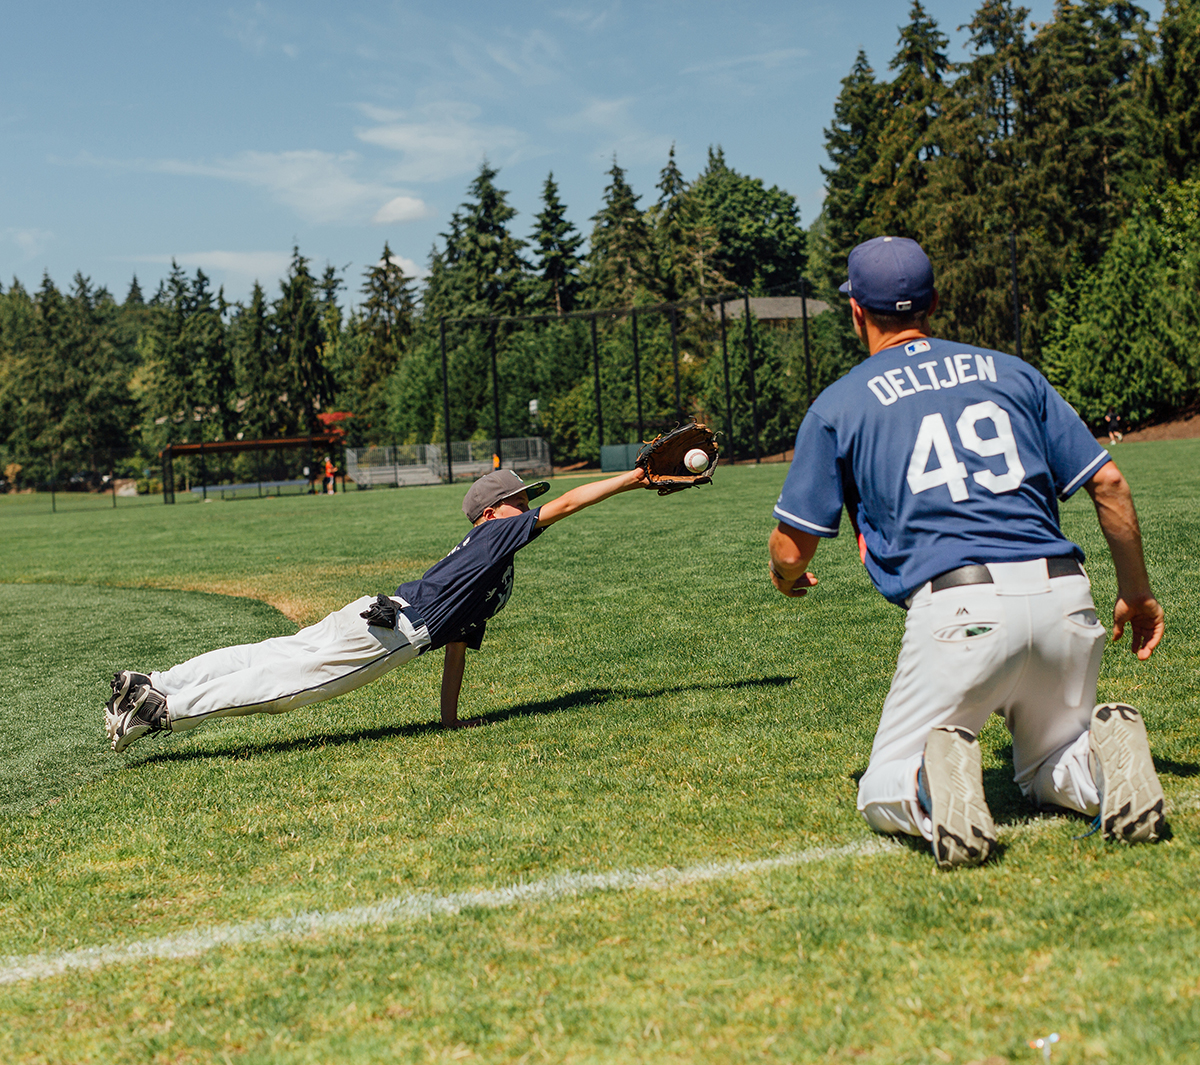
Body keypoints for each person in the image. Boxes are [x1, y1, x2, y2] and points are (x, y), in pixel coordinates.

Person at [767, 236, 1166, 869]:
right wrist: (1137, 592)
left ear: (856, 312)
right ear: (932, 303)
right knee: (1046, 764)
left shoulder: (840, 402)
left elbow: (793, 547)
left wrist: (785, 575)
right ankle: (1101, 765)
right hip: (1066, 597)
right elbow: (1109, 482)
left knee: (881, 786)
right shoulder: (1013, 372)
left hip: (960, 610)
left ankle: (929, 782)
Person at [105, 467, 648, 752]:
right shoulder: (496, 538)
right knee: (283, 683)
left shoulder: (489, 562)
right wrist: (635, 479)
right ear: (490, 512)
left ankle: (154, 680)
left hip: (377, 610)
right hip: (391, 632)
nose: (526, 506)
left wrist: (450, 723)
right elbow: (571, 504)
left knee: (271, 653)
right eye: (519, 499)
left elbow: (456, 647)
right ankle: (160, 710)